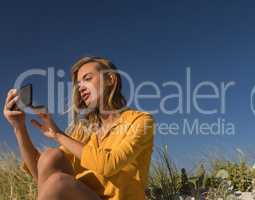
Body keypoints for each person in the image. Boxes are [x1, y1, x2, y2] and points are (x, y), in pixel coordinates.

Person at [3, 56, 155, 200]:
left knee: (58, 182)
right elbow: (40, 175)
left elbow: (110, 165)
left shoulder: (141, 120)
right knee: (50, 156)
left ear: (110, 79)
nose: (81, 88)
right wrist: (19, 127)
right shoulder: (83, 131)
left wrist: (59, 135)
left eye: (87, 79)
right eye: (78, 84)